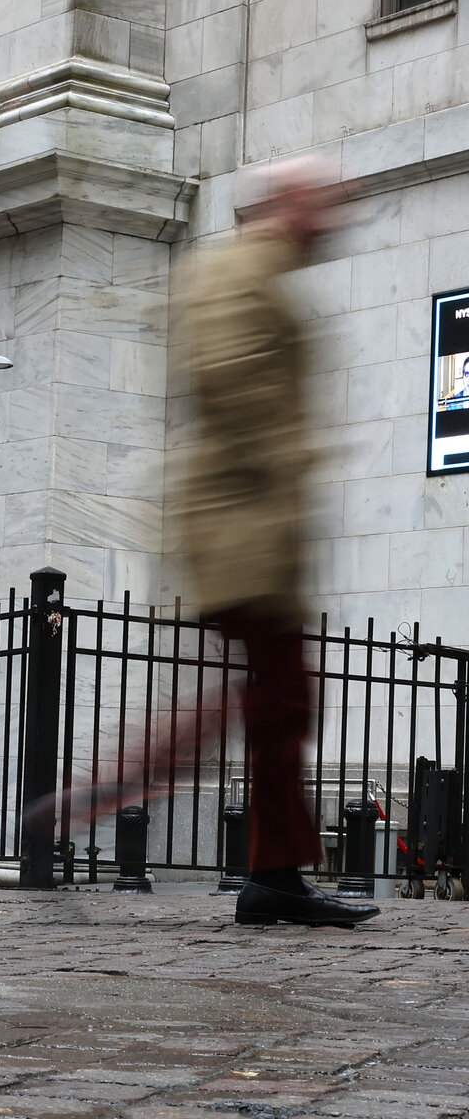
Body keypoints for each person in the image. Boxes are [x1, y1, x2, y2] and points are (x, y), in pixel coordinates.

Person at [181, 156, 376, 930]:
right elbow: (226, 379)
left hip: (260, 525)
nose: (335, 220)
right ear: (285, 206)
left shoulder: (261, 276)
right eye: (323, 205)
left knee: (278, 704)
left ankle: (275, 875)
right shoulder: (236, 274)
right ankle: (101, 794)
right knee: (275, 701)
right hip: (242, 523)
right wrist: (292, 455)